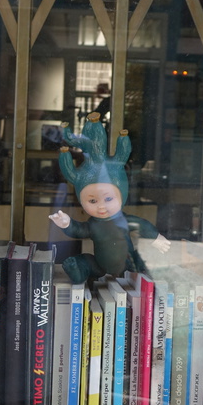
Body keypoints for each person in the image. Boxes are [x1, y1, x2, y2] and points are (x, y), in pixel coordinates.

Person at [49, 112, 170, 283]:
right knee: (85, 261)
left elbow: (142, 225)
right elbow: (79, 230)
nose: (101, 206)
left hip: (129, 264)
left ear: (122, 195)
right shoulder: (93, 225)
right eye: (92, 201)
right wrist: (67, 224)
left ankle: (152, 273)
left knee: (143, 260)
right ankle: (77, 269)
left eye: (108, 199)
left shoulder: (124, 221)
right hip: (100, 265)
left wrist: (155, 238)